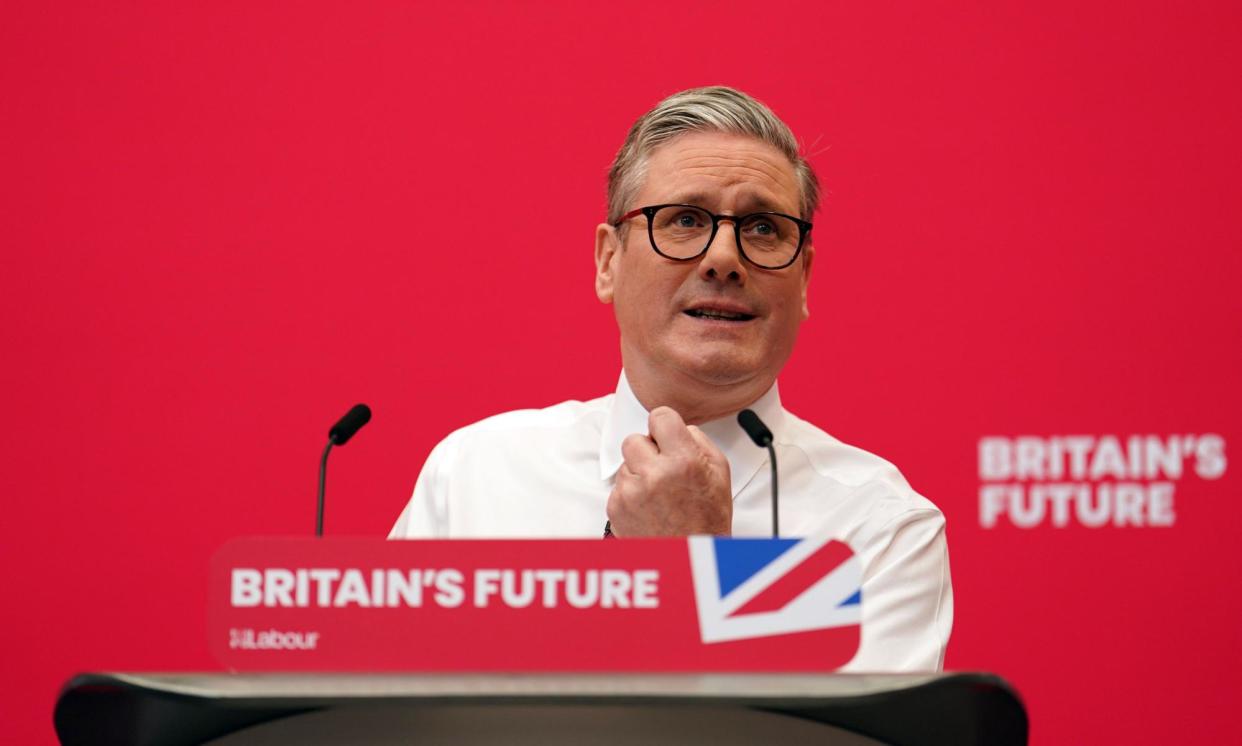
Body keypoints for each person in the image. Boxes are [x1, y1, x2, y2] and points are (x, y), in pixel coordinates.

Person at [390, 86, 952, 671]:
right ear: (609, 262)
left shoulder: (875, 530)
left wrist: (698, 567)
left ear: (804, 278)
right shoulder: (477, 475)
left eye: (764, 228)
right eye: (685, 219)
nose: (725, 258)